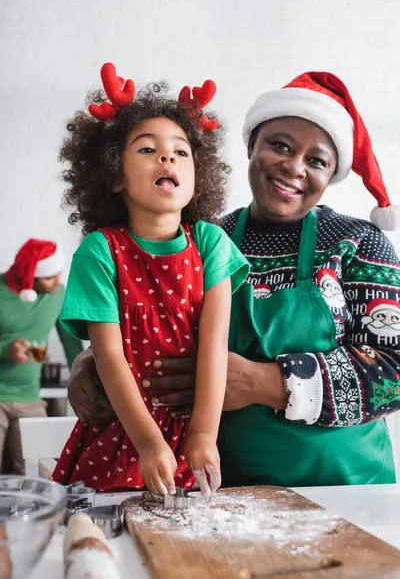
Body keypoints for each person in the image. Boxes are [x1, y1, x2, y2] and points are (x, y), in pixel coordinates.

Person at [67, 71, 400, 488]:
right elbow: (153, 324)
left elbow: (395, 373)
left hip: (346, 489)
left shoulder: (358, 244)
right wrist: (91, 362)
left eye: (316, 160)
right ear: (251, 146)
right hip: (221, 488)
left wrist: (264, 383)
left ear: (331, 174)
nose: (293, 167)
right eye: (279, 145)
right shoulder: (205, 241)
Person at [52, 63, 248, 495]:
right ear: (114, 175)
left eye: (181, 152)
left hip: (192, 432)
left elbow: (215, 347)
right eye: (147, 150)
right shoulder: (100, 251)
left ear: (198, 177)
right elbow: (108, 358)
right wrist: (147, 441)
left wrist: (202, 436)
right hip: (124, 431)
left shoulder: (212, 244)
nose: (167, 158)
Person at [0, 239, 83, 474]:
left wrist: (83, 380)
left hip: (29, 396)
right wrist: (7, 350)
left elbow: (70, 343)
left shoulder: (57, 295)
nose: (57, 283)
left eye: (58, 274)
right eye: (49, 277)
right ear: (30, 277)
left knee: (44, 473)